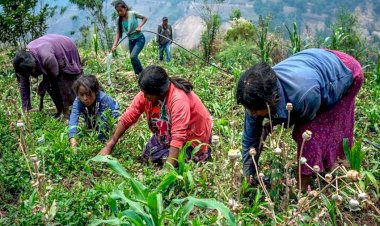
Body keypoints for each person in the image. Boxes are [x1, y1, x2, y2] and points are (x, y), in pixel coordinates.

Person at [236, 48, 364, 191]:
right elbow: (250, 137)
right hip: (317, 62)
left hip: (346, 72)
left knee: (309, 136)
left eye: (254, 110)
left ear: (269, 102)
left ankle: (301, 190)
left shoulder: (304, 96)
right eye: (249, 109)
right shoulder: (255, 96)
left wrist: (276, 121)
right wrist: (250, 175)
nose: (251, 113)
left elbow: (306, 126)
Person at [98, 65, 212, 167]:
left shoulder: (178, 100)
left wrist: (168, 170)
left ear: (160, 92)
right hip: (168, 133)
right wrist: (109, 145)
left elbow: (179, 135)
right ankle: (167, 155)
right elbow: (129, 116)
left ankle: (192, 157)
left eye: (147, 94)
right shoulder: (148, 94)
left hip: (192, 137)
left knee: (178, 161)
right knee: (149, 155)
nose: (144, 96)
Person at [13, 34, 82, 118]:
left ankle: (68, 111)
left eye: (32, 72)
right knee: (49, 87)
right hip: (50, 47)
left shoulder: (47, 57)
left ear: (34, 66)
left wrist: (44, 83)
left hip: (66, 47)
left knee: (63, 83)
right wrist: (26, 108)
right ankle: (59, 109)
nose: (32, 75)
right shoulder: (21, 64)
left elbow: (54, 76)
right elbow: (23, 85)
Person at [68, 75, 119, 148]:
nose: (85, 98)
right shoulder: (78, 101)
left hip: (111, 116)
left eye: (88, 94)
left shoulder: (104, 99)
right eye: (81, 94)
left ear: (95, 92)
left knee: (109, 131)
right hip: (93, 114)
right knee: (90, 124)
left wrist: (97, 145)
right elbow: (73, 119)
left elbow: (103, 124)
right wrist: (73, 143)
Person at [111, 0, 147, 76]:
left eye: (121, 10)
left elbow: (144, 18)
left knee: (133, 56)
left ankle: (143, 74)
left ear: (125, 8)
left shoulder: (132, 14)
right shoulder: (120, 20)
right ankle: (137, 75)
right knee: (132, 59)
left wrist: (139, 26)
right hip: (131, 41)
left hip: (139, 39)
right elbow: (118, 33)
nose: (119, 13)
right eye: (118, 11)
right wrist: (114, 45)